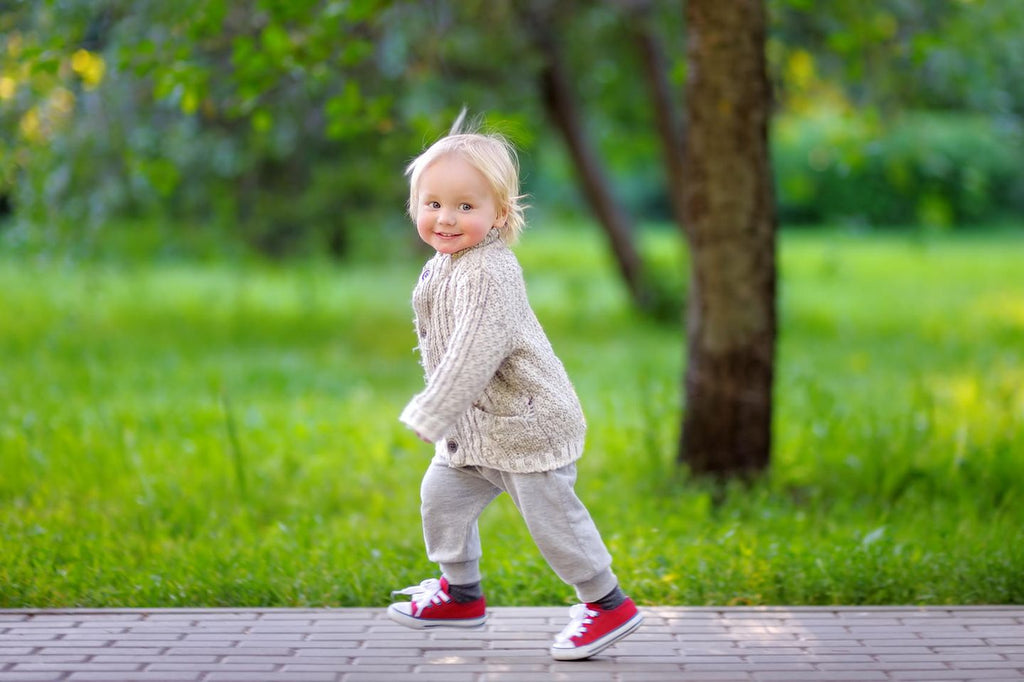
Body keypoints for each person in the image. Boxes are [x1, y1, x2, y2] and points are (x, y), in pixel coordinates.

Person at [387, 113, 643, 661]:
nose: (446, 219)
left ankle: (606, 603)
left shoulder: (490, 272)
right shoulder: (443, 266)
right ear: (415, 208)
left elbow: (473, 354)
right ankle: (460, 594)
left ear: (500, 214)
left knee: (554, 523)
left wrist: (433, 410)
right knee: (441, 499)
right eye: (433, 204)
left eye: (465, 206)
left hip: (526, 425)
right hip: (475, 432)